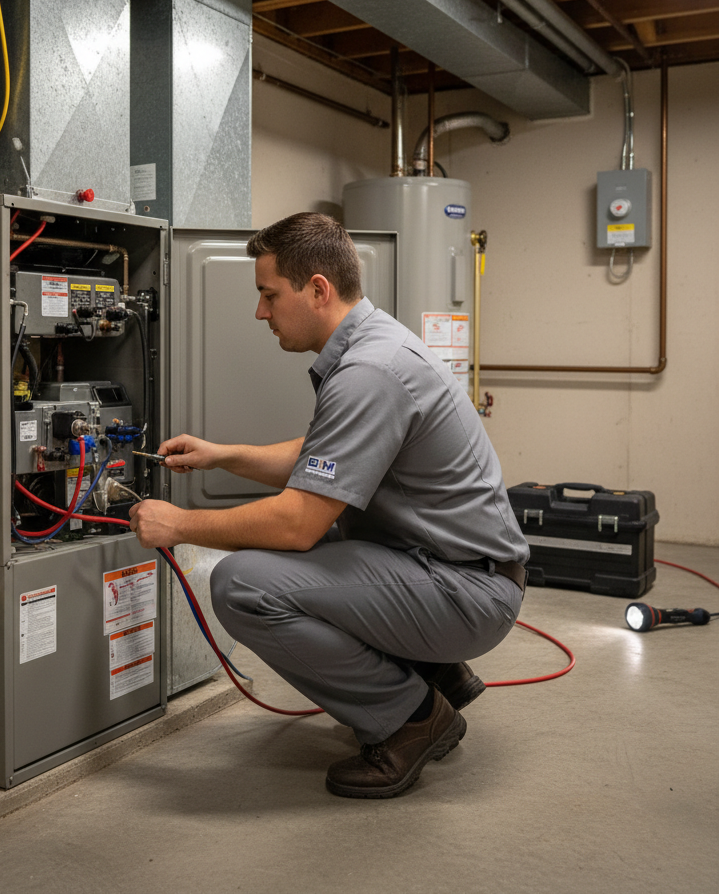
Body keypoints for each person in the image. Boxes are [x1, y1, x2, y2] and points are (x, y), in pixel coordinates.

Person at [128, 211, 528, 799]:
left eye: (268, 294)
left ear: (318, 289)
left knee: (245, 583)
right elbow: (326, 455)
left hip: (466, 589)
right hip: (452, 567)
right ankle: (436, 671)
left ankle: (413, 718)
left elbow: (295, 526)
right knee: (322, 548)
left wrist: (180, 525)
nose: (260, 312)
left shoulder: (369, 371)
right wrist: (223, 456)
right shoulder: (375, 343)